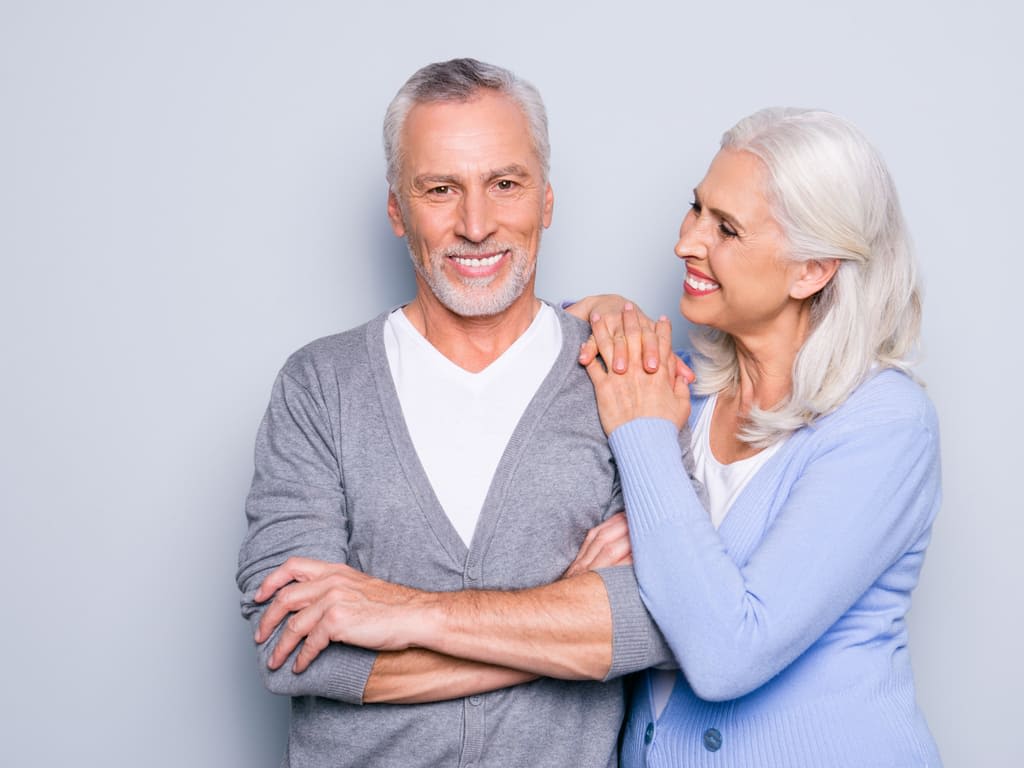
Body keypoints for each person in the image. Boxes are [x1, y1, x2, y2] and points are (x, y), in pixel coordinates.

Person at [236, 58, 692, 768]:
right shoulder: (320, 385)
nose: (476, 225)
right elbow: (296, 652)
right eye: (440, 189)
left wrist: (396, 612)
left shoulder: (619, 377)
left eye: (504, 184)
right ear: (397, 210)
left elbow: (659, 622)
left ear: (545, 199)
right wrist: (566, 613)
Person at [578, 108, 942, 766]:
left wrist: (640, 433)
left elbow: (726, 654)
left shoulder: (886, 425)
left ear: (811, 271)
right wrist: (611, 315)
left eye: (727, 228)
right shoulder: (682, 387)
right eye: (696, 209)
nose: (687, 242)